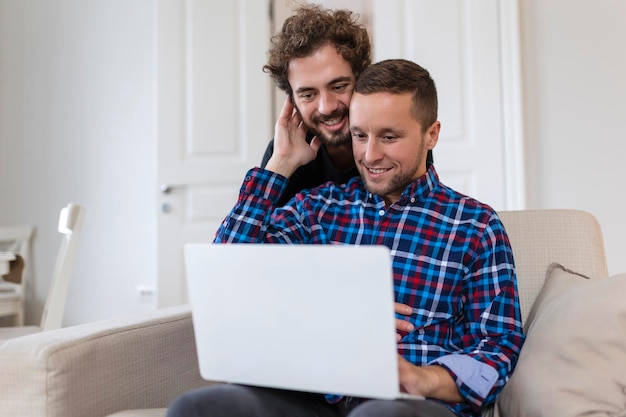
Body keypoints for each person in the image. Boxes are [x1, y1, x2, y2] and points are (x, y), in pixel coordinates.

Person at [166, 59, 525, 417]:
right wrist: (279, 165)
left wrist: (422, 378)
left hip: (408, 405)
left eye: (389, 136)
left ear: (431, 134)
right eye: (359, 135)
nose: (369, 155)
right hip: (314, 399)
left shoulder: (475, 226)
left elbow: (498, 347)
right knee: (198, 408)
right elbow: (227, 272)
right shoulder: (317, 208)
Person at [259, 4, 432, 206]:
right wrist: (282, 164)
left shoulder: (399, 139)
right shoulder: (285, 151)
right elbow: (246, 235)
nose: (326, 107)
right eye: (308, 94)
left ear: (362, 77)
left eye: (339, 86)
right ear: (292, 100)